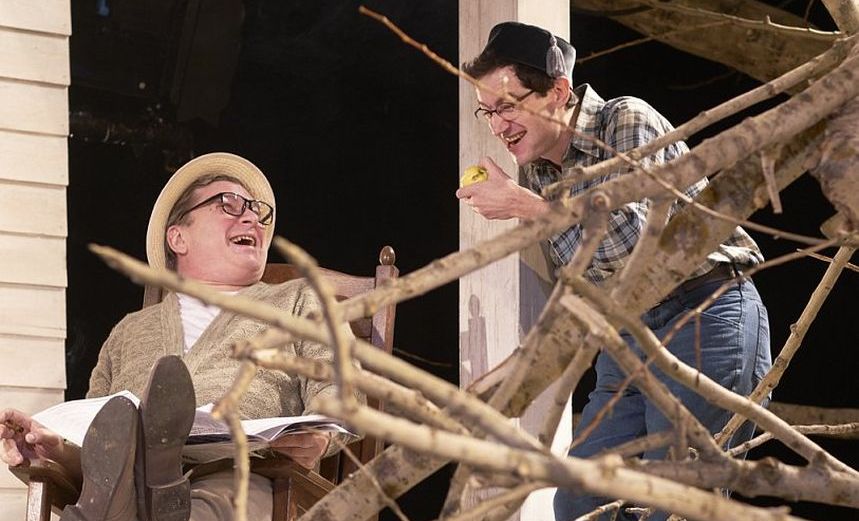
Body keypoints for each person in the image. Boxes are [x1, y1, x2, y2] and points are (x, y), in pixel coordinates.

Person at [459, 22, 772, 520]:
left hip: (704, 313)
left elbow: (632, 246)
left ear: (557, 91)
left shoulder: (624, 121)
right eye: (488, 111)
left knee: (676, 498)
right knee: (581, 500)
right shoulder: (540, 171)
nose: (498, 126)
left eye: (509, 106)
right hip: (628, 334)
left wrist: (527, 206)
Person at [1, 152, 356, 521]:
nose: (252, 218)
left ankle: (142, 503)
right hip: (127, 486)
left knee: (204, 503)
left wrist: (319, 434)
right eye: (230, 204)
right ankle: (146, 496)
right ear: (178, 237)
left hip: (241, 475)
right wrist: (55, 450)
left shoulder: (301, 300)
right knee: (117, 466)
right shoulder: (129, 332)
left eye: (257, 211)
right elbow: (98, 442)